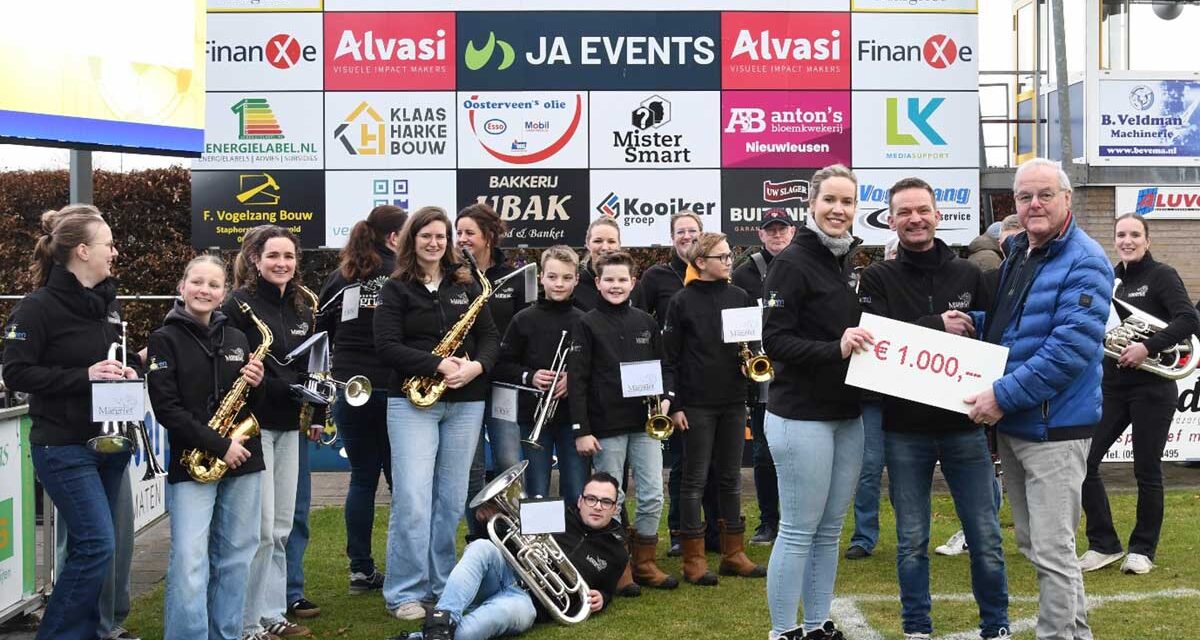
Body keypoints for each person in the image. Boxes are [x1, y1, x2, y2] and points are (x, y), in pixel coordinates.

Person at [966, 157, 1113, 640]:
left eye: (1045, 194)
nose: (1034, 205)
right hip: (1021, 422)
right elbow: (1016, 332)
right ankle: (1077, 632)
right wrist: (973, 330)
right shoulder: (1023, 253)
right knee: (1037, 544)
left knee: (1052, 549)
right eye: (1025, 196)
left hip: (1052, 427)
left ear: (1066, 199)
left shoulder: (1085, 260)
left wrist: (1001, 396)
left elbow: (1068, 351)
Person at [857, 178, 1009, 640]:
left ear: (938, 214)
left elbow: (992, 338)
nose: (915, 218)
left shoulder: (968, 274)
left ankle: (996, 626)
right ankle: (916, 628)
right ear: (891, 219)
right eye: (904, 211)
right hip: (903, 431)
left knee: (985, 539)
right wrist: (935, 324)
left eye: (922, 209)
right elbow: (872, 339)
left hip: (964, 426)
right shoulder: (876, 277)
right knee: (911, 542)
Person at [2, 205, 135, 640]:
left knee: (92, 548)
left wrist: (134, 367)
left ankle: (87, 632)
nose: (115, 252)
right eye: (109, 244)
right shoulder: (36, 309)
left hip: (109, 445)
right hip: (62, 446)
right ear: (82, 251)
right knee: (97, 545)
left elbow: (116, 358)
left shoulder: (106, 305)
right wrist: (86, 376)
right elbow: (16, 373)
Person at [373, 206, 500, 621]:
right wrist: (438, 365)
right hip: (413, 401)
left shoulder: (467, 283)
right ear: (411, 239)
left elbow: (490, 338)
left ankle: (441, 583)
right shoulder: (396, 289)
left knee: (449, 500)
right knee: (412, 498)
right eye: (426, 235)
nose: (434, 243)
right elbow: (386, 346)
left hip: (466, 401)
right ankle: (404, 591)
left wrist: (476, 367)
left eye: (441, 236)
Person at [761, 164, 870, 640]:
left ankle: (816, 624)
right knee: (799, 529)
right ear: (812, 203)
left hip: (846, 414)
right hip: (800, 415)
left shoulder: (845, 262)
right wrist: (836, 348)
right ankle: (783, 631)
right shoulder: (791, 262)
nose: (838, 210)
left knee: (829, 530)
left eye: (847, 202)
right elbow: (774, 342)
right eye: (830, 200)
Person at [147, 255, 267, 640]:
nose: (204, 290)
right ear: (182, 288)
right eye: (196, 282)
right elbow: (167, 409)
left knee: (236, 557)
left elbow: (251, 404)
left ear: (223, 293)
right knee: (189, 559)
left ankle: (226, 633)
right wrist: (219, 445)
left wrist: (259, 381)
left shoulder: (238, 337)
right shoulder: (163, 339)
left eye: (214, 285)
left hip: (243, 457)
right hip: (194, 460)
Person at [1080, 213, 1200, 575]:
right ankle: (1103, 545)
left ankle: (1142, 550)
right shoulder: (1110, 280)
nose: (1127, 241)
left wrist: (1146, 347)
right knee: (1083, 462)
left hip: (1152, 389)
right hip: (1112, 387)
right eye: (1121, 235)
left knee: (1146, 470)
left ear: (1147, 240)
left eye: (1134, 234)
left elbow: (1188, 320)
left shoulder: (1161, 275)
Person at [393, 471, 628, 640]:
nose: (597, 506)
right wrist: (491, 515)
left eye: (606, 502)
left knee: (488, 622)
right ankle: (443, 616)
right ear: (580, 500)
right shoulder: (557, 513)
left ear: (614, 508)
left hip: (530, 604)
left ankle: (425, 636)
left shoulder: (617, 551)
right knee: (480, 548)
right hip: (507, 574)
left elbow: (607, 589)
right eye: (591, 499)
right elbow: (507, 531)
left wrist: (603, 598)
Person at [225, 225, 319, 639]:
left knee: (280, 526)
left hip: (291, 425)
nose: (282, 263)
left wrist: (317, 404)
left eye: (289, 256)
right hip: (253, 429)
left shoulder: (302, 307)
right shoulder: (236, 305)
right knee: (259, 529)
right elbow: (227, 364)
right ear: (255, 260)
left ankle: (273, 613)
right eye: (273, 256)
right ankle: (247, 622)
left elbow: (311, 365)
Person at [569, 251, 679, 590]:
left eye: (622, 280)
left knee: (652, 495)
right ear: (598, 283)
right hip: (606, 428)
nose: (615, 285)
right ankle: (618, 567)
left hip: (645, 425)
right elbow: (578, 381)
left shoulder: (646, 321)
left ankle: (644, 562)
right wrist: (582, 430)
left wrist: (666, 398)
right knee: (608, 500)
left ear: (633, 283)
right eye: (608, 280)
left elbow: (665, 368)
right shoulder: (585, 324)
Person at [663, 231, 767, 586]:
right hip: (696, 404)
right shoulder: (681, 301)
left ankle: (732, 553)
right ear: (701, 262)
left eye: (729, 255)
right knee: (694, 481)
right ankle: (693, 558)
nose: (728, 261)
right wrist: (675, 404)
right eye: (722, 256)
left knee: (730, 478)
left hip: (734, 400)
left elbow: (753, 346)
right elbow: (670, 358)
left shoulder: (740, 296)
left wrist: (751, 363)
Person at [317, 205, 407, 594]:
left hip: (349, 389)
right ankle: (406, 569)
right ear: (393, 238)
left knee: (363, 479)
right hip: (393, 387)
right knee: (403, 482)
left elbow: (320, 336)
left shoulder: (339, 277)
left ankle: (360, 569)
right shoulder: (404, 276)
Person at [632, 210, 721, 557]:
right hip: (674, 384)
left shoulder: (715, 274)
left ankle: (714, 531)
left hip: (711, 383)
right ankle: (680, 532)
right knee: (684, 465)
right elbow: (639, 323)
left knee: (713, 464)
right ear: (672, 237)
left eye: (693, 230)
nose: (686, 235)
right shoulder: (656, 277)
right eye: (680, 231)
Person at [493, 246, 587, 502]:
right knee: (535, 492)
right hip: (532, 418)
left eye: (567, 278)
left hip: (574, 419)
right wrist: (529, 376)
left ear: (576, 279)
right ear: (542, 277)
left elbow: (598, 368)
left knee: (577, 490)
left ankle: (572, 542)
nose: (559, 284)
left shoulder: (586, 321)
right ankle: (537, 541)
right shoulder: (523, 319)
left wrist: (574, 380)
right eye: (553, 276)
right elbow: (501, 365)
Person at [457, 203, 527, 541]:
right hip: (465, 383)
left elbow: (526, 327)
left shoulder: (515, 274)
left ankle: (515, 538)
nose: (462, 239)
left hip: (504, 383)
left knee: (509, 460)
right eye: (459, 233)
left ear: (489, 236)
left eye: (469, 232)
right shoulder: (451, 273)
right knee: (469, 467)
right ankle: (478, 538)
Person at [731, 208, 795, 546]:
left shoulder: (805, 267)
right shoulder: (744, 274)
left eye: (782, 229)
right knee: (763, 453)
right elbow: (735, 325)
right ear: (760, 234)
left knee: (798, 451)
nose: (777, 235)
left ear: (792, 232)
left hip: (798, 371)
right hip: (761, 378)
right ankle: (769, 522)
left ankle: (798, 521)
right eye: (771, 230)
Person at [575, 217, 621, 312]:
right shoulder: (574, 285)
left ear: (619, 245)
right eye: (598, 241)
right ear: (587, 244)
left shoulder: (634, 287)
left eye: (611, 241)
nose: (604, 247)